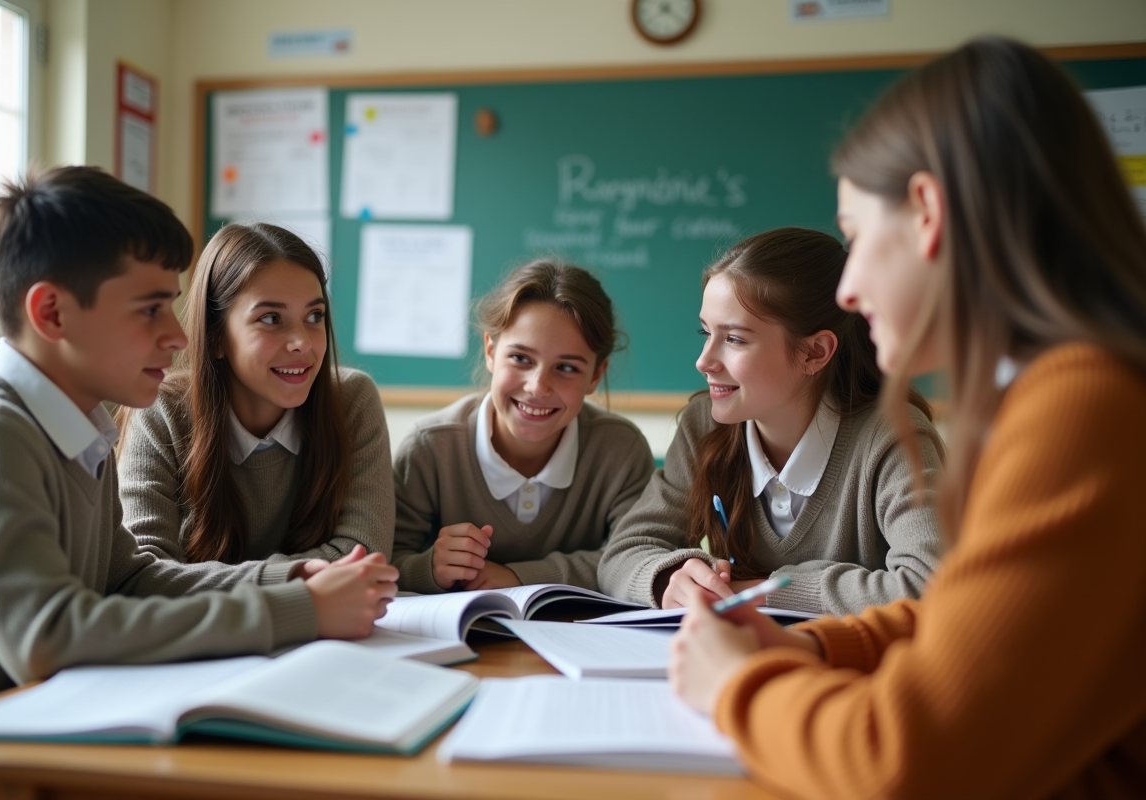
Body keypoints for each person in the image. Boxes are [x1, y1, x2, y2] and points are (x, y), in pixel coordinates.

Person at [669, 38, 1146, 799]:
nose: (850, 289)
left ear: (927, 211)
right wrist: (823, 650)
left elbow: (901, 762)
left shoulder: (1081, 409)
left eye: (855, 238)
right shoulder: (1061, 391)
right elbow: (978, 625)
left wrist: (736, 688)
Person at [0, 167, 396, 709]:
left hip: (55, 727)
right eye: (150, 309)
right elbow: (46, 636)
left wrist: (290, 577)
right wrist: (297, 610)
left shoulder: (79, 429)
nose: (179, 335)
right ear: (52, 312)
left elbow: (131, 577)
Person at [598, 227, 943, 615]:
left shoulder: (892, 435)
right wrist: (667, 580)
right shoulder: (703, 427)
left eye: (734, 339)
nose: (703, 361)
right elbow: (621, 554)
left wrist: (766, 590)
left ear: (815, 352)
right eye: (705, 332)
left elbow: (932, 586)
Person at [118, 223, 393, 582]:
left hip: (326, 631)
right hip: (208, 635)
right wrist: (284, 579)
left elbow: (363, 554)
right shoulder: (161, 409)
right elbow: (146, 575)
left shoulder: (352, 399)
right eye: (270, 319)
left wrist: (208, 581)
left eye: (314, 316)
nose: (302, 343)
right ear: (216, 337)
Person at [391, 259, 655, 593]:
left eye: (567, 368)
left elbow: (632, 559)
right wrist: (428, 567)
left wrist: (519, 577)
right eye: (521, 359)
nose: (537, 387)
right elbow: (384, 562)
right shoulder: (429, 447)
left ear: (596, 376)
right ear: (490, 350)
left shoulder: (621, 449)